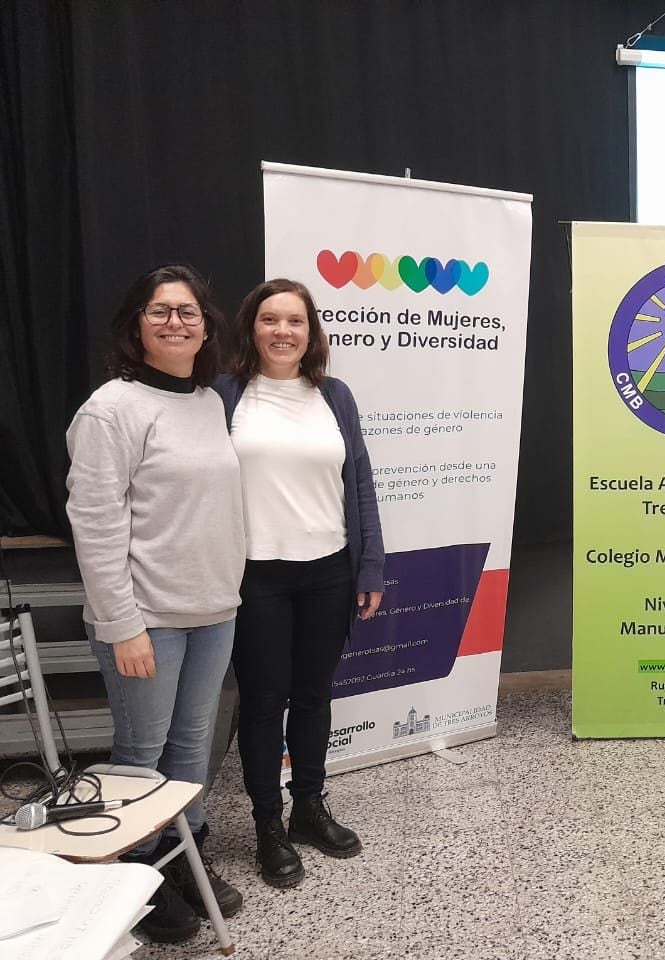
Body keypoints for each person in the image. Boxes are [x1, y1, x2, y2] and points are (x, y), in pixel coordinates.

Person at [66, 264, 246, 943]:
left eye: (188, 311)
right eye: (159, 310)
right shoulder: (111, 409)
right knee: (142, 753)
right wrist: (123, 626)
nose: (176, 321)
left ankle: (186, 856)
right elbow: (97, 523)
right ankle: (140, 875)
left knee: (193, 746)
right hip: (146, 621)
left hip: (213, 610)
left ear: (206, 326)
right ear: (135, 326)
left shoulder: (206, 402)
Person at [214, 278, 384, 888]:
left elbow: (359, 484)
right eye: (270, 320)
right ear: (251, 328)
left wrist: (370, 568)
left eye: (295, 321)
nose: (282, 331)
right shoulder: (227, 394)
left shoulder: (334, 396)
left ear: (310, 332)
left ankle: (308, 808)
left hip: (328, 572)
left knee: (314, 696)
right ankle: (268, 827)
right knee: (262, 704)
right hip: (255, 576)